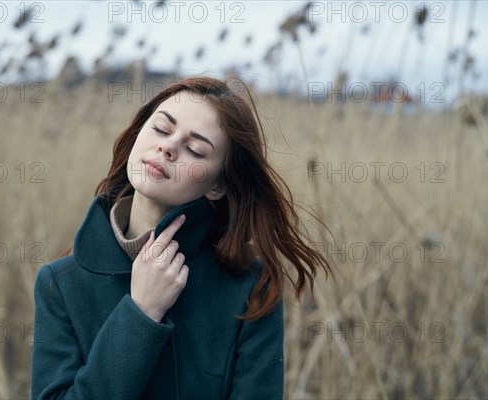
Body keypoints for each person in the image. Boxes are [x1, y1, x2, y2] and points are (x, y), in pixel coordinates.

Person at [31, 76, 333, 399]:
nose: (168, 147)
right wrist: (141, 312)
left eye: (195, 149)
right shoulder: (60, 284)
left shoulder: (251, 289)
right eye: (161, 128)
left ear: (218, 185)